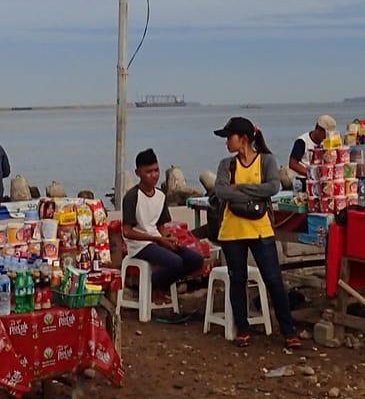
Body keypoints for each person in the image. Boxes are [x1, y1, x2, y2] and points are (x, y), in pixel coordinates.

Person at [211, 116, 302, 350]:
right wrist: (254, 193)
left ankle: (288, 330)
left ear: (242, 139)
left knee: (273, 279)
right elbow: (221, 192)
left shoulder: (266, 161)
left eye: (228, 137)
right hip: (232, 231)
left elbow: (273, 187)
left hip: (260, 229)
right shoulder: (226, 164)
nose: (226, 143)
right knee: (237, 279)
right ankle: (243, 329)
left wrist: (238, 188)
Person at [120, 148, 204, 308]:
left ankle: (160, 283)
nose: (154, 175)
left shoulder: (160, 196)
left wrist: (169, 237)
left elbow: (160, 226)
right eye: (149, 171)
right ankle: (156, 285)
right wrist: (157, 239)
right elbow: (127, 232)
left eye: (156, 170)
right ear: (138, 173)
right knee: (176, 262)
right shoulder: (132, 197)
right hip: (139, 245)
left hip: (156, 239)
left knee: (196, 260)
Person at [289, 114, 338, 180]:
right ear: (318, 129)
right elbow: (293, 164)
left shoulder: (326, 142)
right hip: (304, 179)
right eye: (325, 134)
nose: (326, 137)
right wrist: (310, 174)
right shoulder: (302, 141)